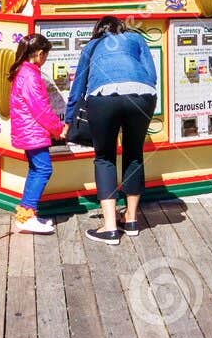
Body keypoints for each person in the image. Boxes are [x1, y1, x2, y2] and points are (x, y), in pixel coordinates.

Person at [64, 16, 158, 244]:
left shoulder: (92, 45)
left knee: (104, 157)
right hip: (143, 94)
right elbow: (152, 75)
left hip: (104, 97)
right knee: (134, 153)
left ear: (98, 30)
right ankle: (132, 220)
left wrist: (69, 119)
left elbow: (79, 86)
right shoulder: (136, 38)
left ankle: (109, 227)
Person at [7, 34, 66, 234]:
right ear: (40, 54)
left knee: (36, 169)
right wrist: (58, 128)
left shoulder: (24, 71)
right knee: (43, 170)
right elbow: (41, 110)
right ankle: (27, 216)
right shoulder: (31, 76)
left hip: (28, 130)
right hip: (34, 132)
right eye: (46, 55)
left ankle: (26, 214)